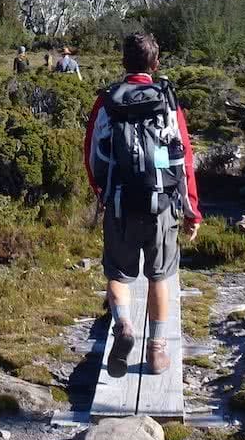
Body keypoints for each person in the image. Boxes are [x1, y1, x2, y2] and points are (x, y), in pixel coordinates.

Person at [83, 33, 201, 377]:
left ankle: (123, 327)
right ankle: (157, 350)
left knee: (118, 275)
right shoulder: (167, 99)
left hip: (120, 202)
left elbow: (92, 153)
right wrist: (192, 208)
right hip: (162, 202)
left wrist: (102, 192)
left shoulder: (107, 101)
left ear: (124, 63)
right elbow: (184, 158)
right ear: (156, 63)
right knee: (159, 277)